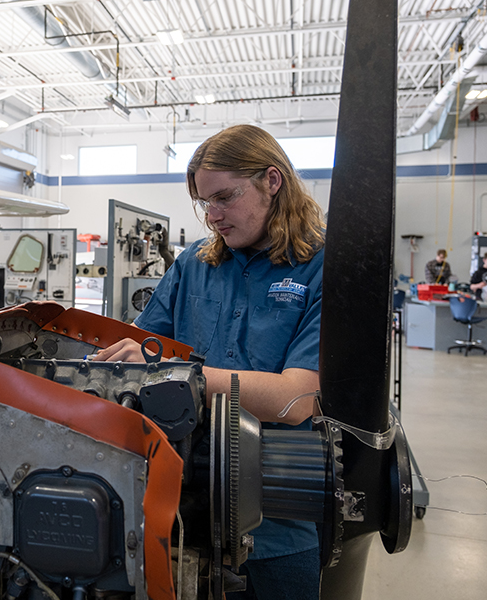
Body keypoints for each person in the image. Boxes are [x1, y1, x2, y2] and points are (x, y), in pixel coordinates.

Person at [94, 124, 324, 600]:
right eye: (203, 203)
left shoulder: (321, 267)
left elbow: (295, 400)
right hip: (177, 505)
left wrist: (177, 373)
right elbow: (140, 352)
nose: (213, 215)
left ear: (272, 181)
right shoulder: (194, 264)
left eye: (225, 197)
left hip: (275, 517)